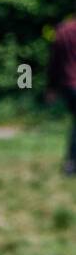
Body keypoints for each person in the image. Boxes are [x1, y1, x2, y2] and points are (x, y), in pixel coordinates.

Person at [46, 15, 76, 175]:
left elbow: (54, 62)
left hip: (69, 85)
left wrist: (51, 87)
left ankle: (71, 163)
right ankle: (72, 164)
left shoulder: (63, 30)